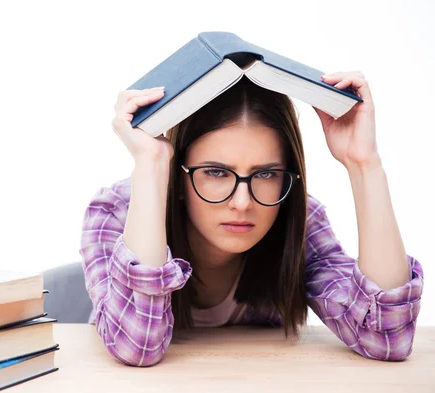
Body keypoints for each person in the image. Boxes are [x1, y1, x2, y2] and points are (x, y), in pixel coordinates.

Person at [79, 74, 424, 367]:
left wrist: (364, 164)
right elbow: (136, 348)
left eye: (265, 174)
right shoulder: (118, 211)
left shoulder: (299, 219)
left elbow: (387, 340)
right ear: (178, 174)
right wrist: (152, 164)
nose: (241, 203)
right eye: (215, 172)